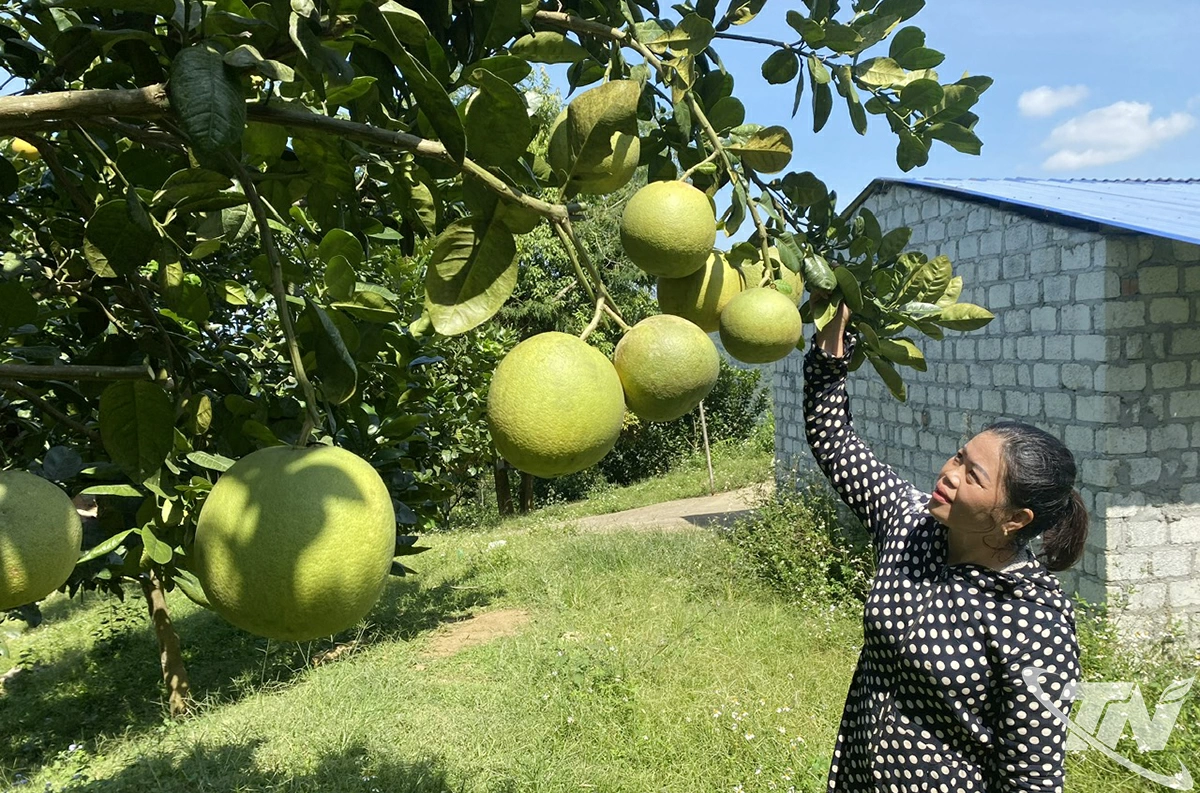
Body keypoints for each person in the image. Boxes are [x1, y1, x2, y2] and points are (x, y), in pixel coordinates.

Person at [804, 300, 1089, 792]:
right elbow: (834, 440)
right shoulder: (909, 523)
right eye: (959, 456)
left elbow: (1033, 778)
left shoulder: (1034, 621)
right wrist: (833, 337)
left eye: (972, 475)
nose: (948, 474)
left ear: (1013, 519)